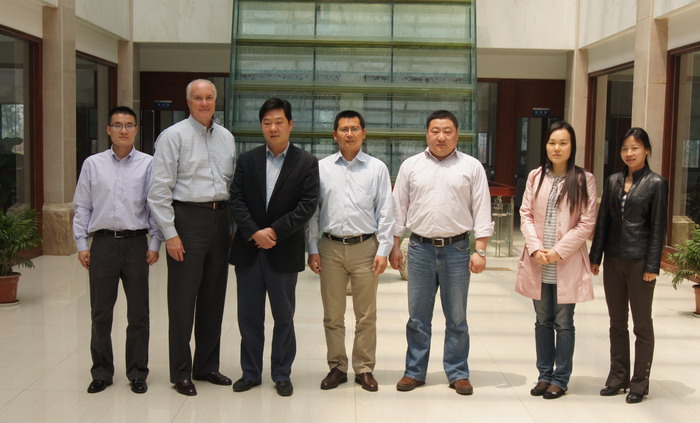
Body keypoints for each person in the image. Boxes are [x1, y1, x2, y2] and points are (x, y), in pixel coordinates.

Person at [389, 110, 493, 395]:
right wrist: (394, 246)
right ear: (427, 133)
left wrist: (480, 250)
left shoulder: (471, 166)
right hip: (419, 249)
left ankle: (458, 372)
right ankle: (414, 371)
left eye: (447, 131)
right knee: (417, 318)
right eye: (435, 131)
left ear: (457, 134)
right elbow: (399, 209)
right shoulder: (410, 166)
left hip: (457, 250)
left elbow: (482, 209)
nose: (441, 137)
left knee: (457, 317)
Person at [147, 79, 236, 396]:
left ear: (216, 99)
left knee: (214, 298)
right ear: (188, 102)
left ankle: (207, 366)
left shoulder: (226, 137)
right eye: (198, 98)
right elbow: (158, 191)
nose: (204, 103)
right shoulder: (173, 137)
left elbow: (230, 184)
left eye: (209, 97)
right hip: (187, 220)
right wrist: (170, 234)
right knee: (183, 301)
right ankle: (181, 372)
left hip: (220, 219)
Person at [229, 97, 319, 397]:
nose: (273, 128)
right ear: (261, 126)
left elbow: (307, 205)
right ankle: (251, 372)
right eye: (267, 123)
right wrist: (254, 232)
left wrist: (274, 232)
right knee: (249, 317)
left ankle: (282, 373)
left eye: (279, 122)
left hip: (284, 251)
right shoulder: (248, 160)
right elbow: (236, 199)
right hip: (249, 251)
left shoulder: (306, 162)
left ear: (290, 124)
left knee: (283, 317)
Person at [73, 106, 163, 394]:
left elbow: (155, 206)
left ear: (136, 130)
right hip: (103, 244)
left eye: (129, 125)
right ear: (108, 130)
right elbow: (82, 206)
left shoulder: (149, 164)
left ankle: (137, 372)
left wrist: (154, 243)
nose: (123, 130)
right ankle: (101, 371)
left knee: (139, 314)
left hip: (136, 244)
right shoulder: (93, 164)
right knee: (100, 313)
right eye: (118, 125)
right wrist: (81, 244)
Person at [306, 110, 394, 392]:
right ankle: (337, 367)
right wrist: (312, 248)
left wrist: (383, 249)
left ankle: (364, 368)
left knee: (366, 315)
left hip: (366, 248)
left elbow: (386, 211)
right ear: (335, 135)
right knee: (333, 315)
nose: (349, 134)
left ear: (364, 133)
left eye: (355, 129)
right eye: (343, 129)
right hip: (330, 247)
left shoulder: (377, 168)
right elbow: (313, 212)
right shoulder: (321, 168)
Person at [515, 121, 597, 400]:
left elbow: (586, 222)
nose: (557, 148)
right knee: (542, 321)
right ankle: (544, 375)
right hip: (538, 261)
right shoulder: (536, 176)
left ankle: (560, 379)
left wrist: (558, 251)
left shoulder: (584, 179)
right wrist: (536, 249)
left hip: (565, 261)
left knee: (563, 322)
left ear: (572, 147)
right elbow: (525, 214)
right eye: (552, 142)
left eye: (563, 143)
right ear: (546, 146)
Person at [590, 127, 668, 404]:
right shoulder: (613, 180)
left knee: (642, 324)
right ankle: (618, 377)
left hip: (640, 262)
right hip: (613, 259)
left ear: (646, 150)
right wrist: (595, 257)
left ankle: (639, 382)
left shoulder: (657, 183)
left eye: (635, 148)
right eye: (625, 148)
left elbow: (658, 228)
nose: (629, 153)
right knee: (617, 322)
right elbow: (603, 221)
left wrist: (652, 266)